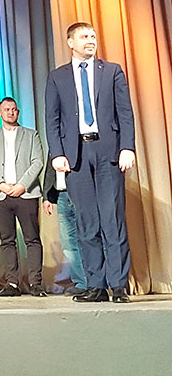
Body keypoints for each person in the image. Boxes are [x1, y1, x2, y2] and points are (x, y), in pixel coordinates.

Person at [45, 22, 135, 304]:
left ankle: (117, 285)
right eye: (84, 36)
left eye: (93, 36)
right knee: (87, 223)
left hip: (108, 152)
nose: (90, 40)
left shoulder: (111, 71)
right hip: (76, 156)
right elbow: (52, 119)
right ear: (70, 42)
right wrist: (57, 153)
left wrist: (127, 147)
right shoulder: (57, 77)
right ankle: (95, 285)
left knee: (113, 220)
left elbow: (125, 113)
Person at [0, 97, 46, 297]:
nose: (11, 112)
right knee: (7, 240)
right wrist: (0, 184)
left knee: (32, 239)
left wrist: (22, 185)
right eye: (7, 109)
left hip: (26, 193)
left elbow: (37, 161)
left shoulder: (31, 135)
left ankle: (35, 283)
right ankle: (12, 283)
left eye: (14, 109)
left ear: (18, 112)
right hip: (1, 195)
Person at [43, 162, 87, 295]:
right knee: (68, 242)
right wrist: (47, 197)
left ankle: (95, 282)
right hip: (61, 195)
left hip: (82, 193)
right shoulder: (56, 148)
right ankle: (81, 283)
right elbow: (50, 169)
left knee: (88, 238)